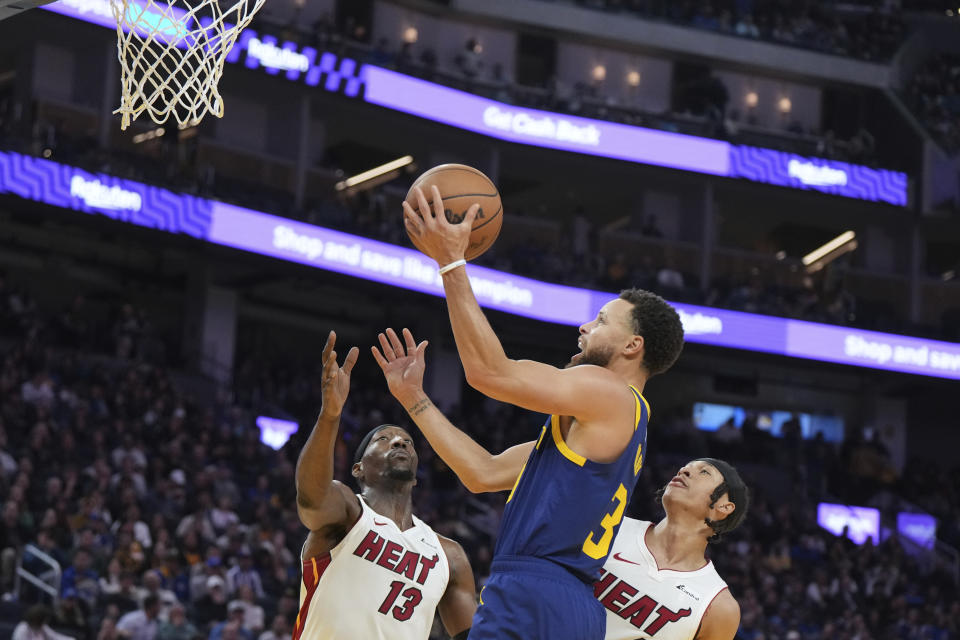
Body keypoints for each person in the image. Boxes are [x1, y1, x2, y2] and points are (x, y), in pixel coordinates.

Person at [383, 183, 686, 640]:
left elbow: (491, 373)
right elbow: (481, 473)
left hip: (534, 594)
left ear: (632, 346)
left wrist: (451, 263)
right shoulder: (606, 427)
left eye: (601, 320)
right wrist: (415, 399)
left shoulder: (609, 393)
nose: (585, 326)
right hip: (569, 605)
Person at [292, 331, 477, 640]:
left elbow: (473, 635)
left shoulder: (450, 555)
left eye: (407, 441)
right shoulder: (347, 512)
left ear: (417, 475)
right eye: (383, 439)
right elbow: (311, 500)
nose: (398, 442)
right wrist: (330, 414)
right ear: (359, 469)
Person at [598, 458, 748, 640]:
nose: (683, 470)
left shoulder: (718, 606)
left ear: (724, 506)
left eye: (704, 472)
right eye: (685, 467)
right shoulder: (608, 527)